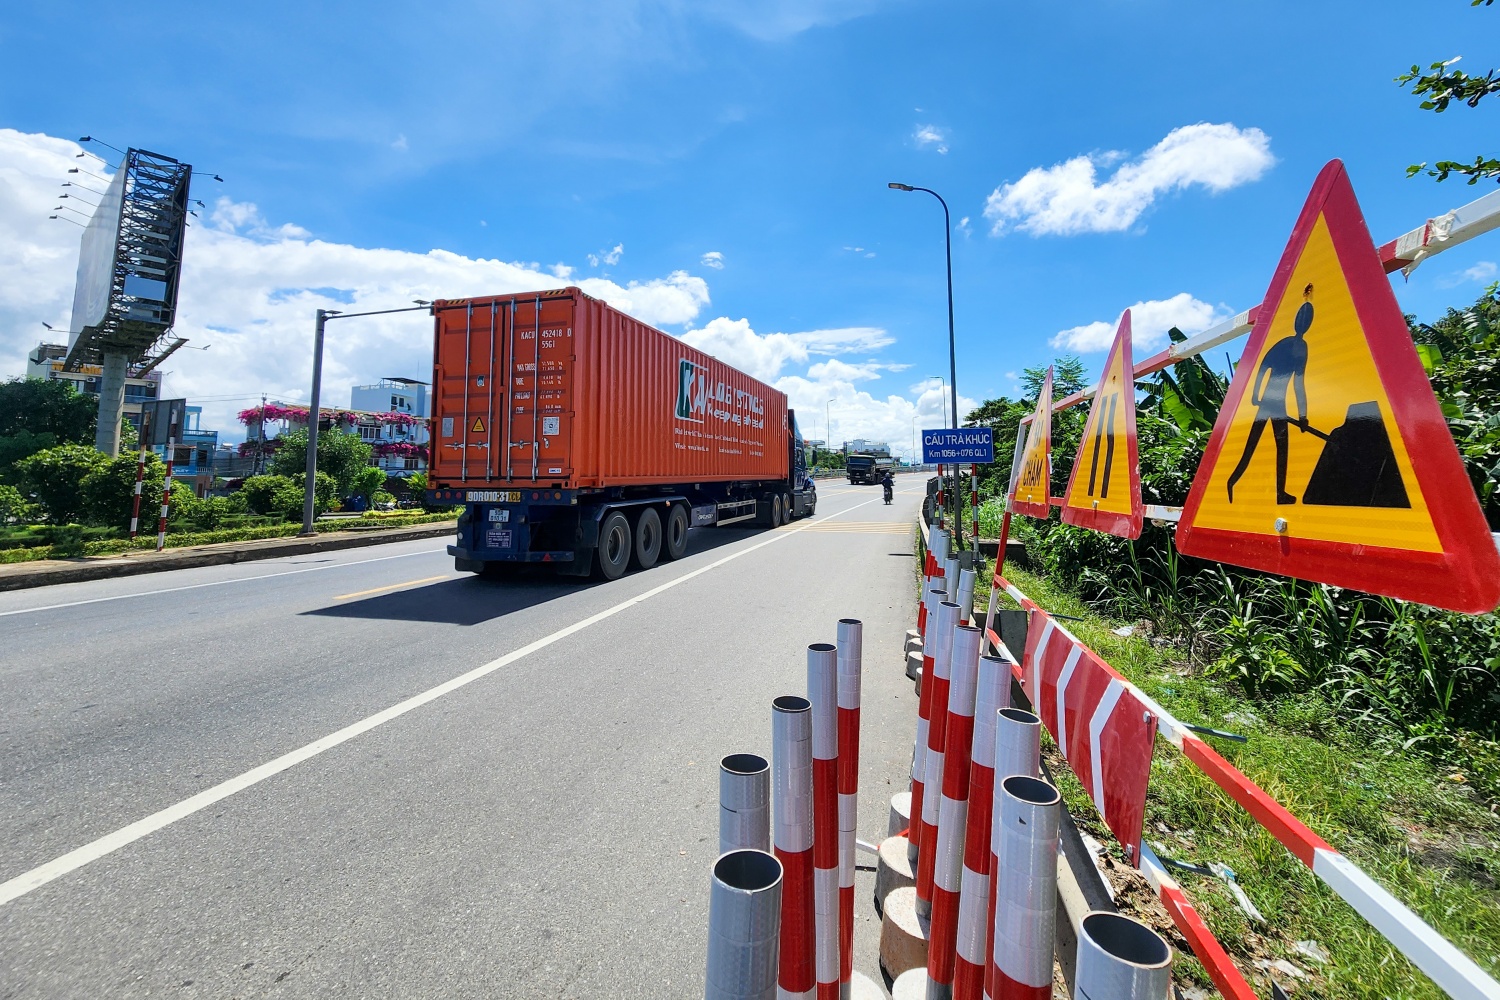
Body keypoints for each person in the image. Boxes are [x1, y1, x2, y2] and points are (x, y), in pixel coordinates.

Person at [1226, 284, 1314, 505]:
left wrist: (1257, 395)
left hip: (1272, 403)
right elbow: (1295, 383)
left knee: (1256, 448)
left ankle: (1236, 484)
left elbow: (1266, 370)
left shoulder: (1287, 344)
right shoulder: (1298, 347)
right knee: (1272, 448)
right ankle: (1239, 485)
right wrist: (1302, 416)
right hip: (1276, 404)